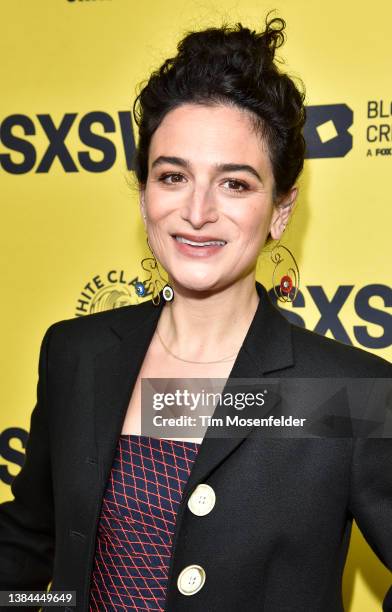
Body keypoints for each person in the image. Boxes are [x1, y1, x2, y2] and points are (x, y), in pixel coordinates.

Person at [0, 14, 391, 612]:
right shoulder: (75, 354)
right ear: (144, 193)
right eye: (173, 176)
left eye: (235, 184)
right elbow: (27, 543)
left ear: (280, 211)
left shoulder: (345, 392)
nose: (198, 211)